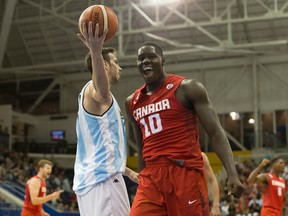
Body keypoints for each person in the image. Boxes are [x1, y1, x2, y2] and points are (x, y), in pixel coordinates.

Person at [125, 41, 244, 216]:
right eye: (141, 58)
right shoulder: (132, 102)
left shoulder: (187, 88)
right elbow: (141, 148)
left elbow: (216, 133)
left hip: (184, 173)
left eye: (151, 56)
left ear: (163, 60)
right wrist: (143, 179)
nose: (145, 61)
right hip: (152, 177)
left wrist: (232, 173)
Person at [73, 21, 138, 216]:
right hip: (103, 181)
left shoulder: (97, 98)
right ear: (105, 65)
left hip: (92, 182)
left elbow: (103, 148)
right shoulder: (96, 92)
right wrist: (96, 51)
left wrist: (128, 172)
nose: (120, 67)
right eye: (116, 62)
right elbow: (102, 92)